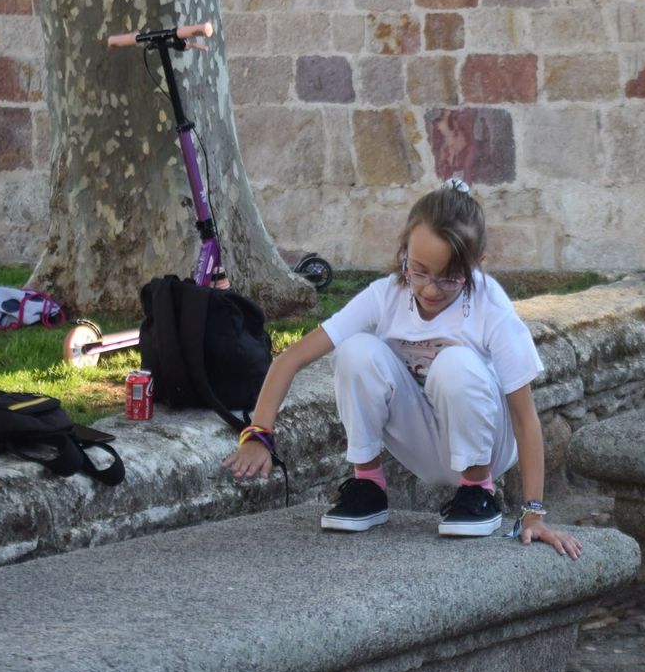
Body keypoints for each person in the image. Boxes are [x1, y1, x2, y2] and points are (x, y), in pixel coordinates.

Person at [223, 179, 582, 559]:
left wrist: (534, 514)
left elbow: (526, 418)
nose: (430, 289)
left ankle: (478, 491)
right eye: (420, 270)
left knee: (455, 364)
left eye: (449, 277)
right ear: (404, 252)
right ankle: (369, 486)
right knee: (355, 350)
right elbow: (290, 358)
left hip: (486, 442)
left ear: (475, 265)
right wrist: (258, 435)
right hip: (425, 441)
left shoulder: (490, 307)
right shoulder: (385, 295)